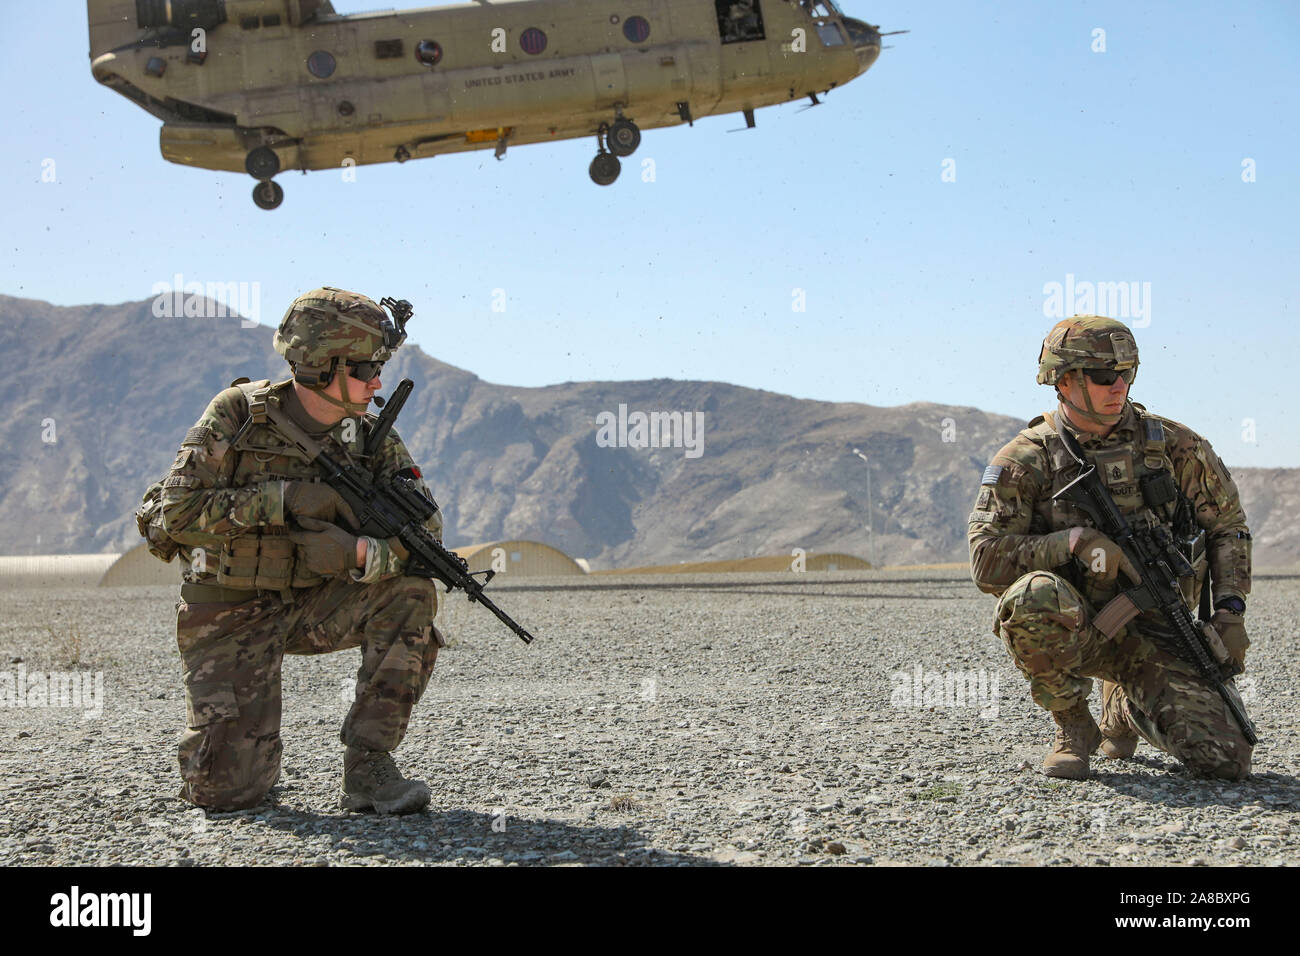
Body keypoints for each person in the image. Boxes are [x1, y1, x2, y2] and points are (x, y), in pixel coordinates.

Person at [158, 287, 444, 813]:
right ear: (319, 367)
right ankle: (229, 754)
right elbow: (173, 514)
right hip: (228, 611)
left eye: (378, 367)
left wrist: (360, 556)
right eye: (362, 369)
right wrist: (283, 499)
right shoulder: (237, 414)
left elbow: (427, 529)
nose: (376, 381)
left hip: (314, 605)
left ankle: (368, 766)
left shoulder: (367, 433)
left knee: (410, 591)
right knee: (229, 794)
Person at [968, 315, 1252, 780]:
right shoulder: (1027, 458)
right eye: (1103, 376)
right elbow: (985, 560)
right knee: (1030, 596)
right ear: (1063, 379)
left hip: (1160, 627)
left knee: (1226, 760)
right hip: (1077, 628)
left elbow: (1229, 527)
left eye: (1128, 373)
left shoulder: (1175, 446)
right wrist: (1073, 543)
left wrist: (1230, 612)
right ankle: (1074, 725)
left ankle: (1122, 706)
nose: (1118, 385)